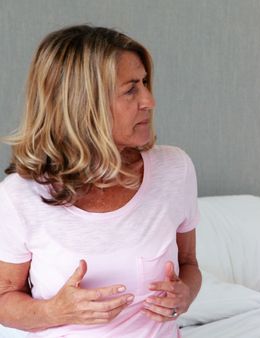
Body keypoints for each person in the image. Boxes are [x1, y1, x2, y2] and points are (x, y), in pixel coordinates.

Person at [0, 25, 201, 337]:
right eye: (131, 88)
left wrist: (184, 294)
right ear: (83, 104)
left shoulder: (175, 169)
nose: (149, 100)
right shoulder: (20, 196)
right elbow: (4, 300)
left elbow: (189, 264)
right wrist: (55, 311)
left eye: (145, 83)